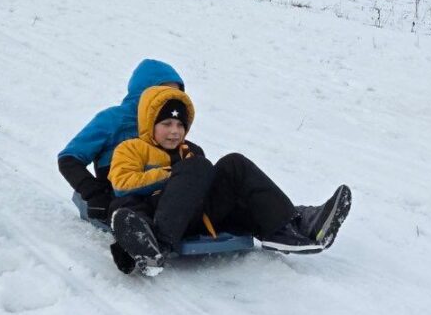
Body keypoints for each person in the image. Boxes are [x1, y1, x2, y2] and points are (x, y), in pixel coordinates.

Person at [106, 83, 351, 273]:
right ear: (150, 123)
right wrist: (173, 175)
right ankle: (147, 243)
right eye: (167, 123)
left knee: (234, 164)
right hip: (154, 214)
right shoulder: (131, 148)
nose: (174, 131)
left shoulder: (191, 150)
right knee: (191, 170)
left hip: (195, 217)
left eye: (180, 125)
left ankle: (292, 224)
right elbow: (121, 184)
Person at [57, 58, 184, 222]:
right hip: (122, 195)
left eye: (176, 94)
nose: (171, 99)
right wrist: (94, 193)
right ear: (144, 92)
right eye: (163, 92)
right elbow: (69, 158)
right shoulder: (114, 119)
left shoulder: (170, 125)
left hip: (159, 192)